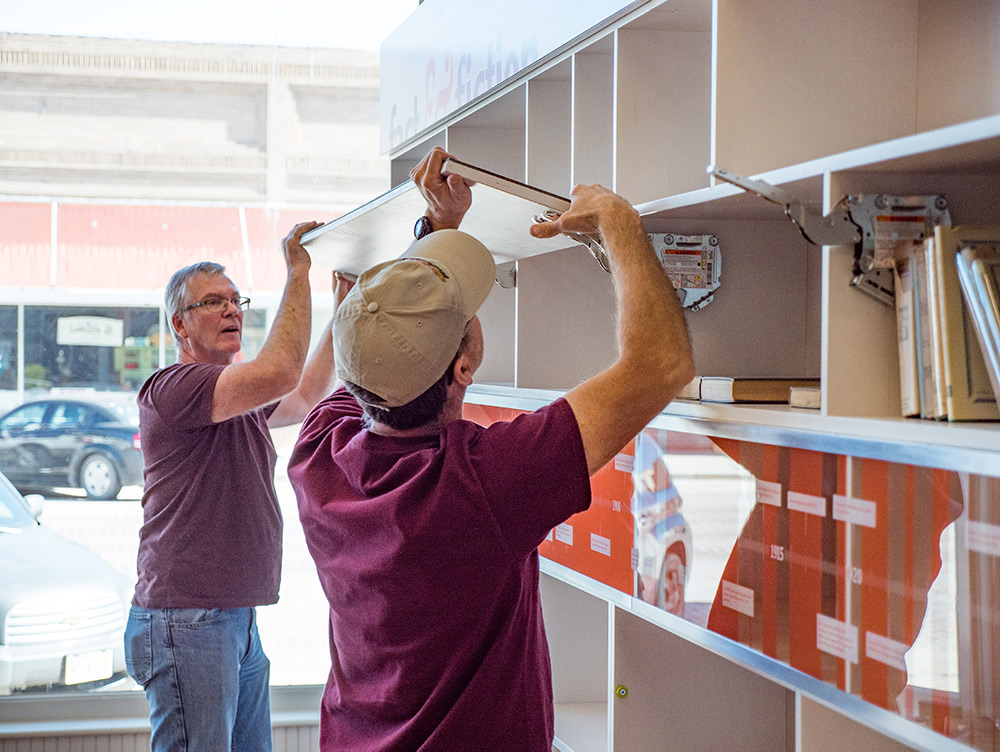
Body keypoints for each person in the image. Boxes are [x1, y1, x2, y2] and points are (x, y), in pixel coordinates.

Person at [287, 146, 695, 750]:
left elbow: (380, 344)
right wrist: (618, 223)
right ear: (464, 367)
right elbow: (661, 363)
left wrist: (435, 230)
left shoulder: (319, 448)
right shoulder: (483, 483)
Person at [124, 220, 348, 752]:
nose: (231, 310)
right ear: (180, 324)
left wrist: (342, 308)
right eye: (212, 302)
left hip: (233, 618)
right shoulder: (175, 386)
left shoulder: (236, 399)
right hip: (187, 619)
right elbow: (282, 372)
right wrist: (298, 271)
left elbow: (304, 394)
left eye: (234, 300)